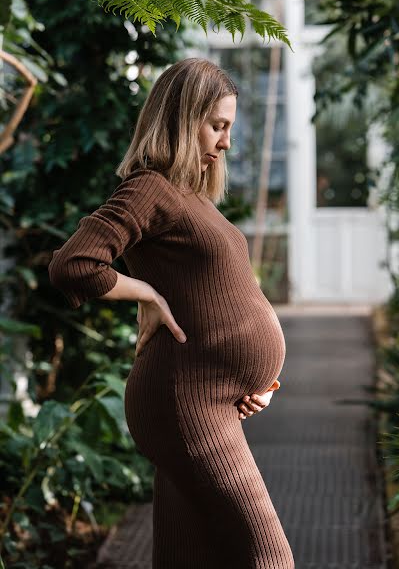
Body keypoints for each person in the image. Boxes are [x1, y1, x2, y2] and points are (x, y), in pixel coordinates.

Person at [48, 57, 295, 568]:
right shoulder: (150, 188)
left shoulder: (193, 196)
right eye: (218, 126)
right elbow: (73, 264)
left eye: (229, 127)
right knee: (268, 555)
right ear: (183, 119)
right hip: (185, 401)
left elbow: (218, 294)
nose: (226, 142)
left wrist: (254, 384)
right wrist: (147, 294)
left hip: (208, 399)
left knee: (189, 555)